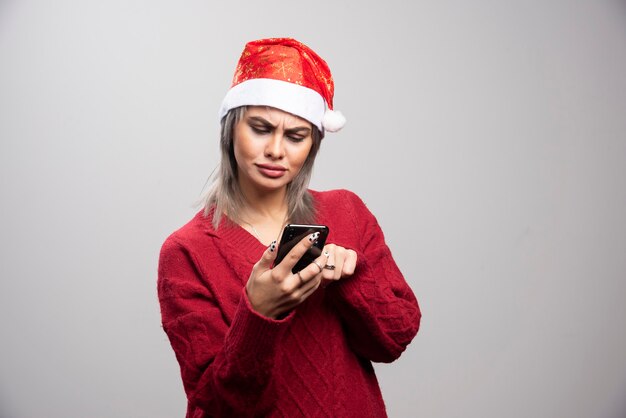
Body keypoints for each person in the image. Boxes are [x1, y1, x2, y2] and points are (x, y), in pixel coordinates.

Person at [158, 38, 421, 418]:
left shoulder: (346, 211)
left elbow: (395, 339)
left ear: (313, 144)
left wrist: (352, 275)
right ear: (231, 130)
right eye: (261, 129)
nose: (276, 150)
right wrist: (258, 314)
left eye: (296, 136)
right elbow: (216, 406)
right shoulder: (186, 252)